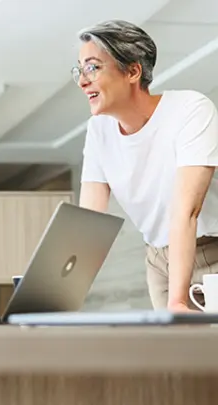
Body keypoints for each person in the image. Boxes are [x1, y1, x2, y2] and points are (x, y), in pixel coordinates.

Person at [74, 19, 218, 311]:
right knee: (171, 355)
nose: (82, 81)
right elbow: (88, 220)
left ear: (133, 70)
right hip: (157, 260)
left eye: (92, 67)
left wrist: (177, 301)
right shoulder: (99, 130)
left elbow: (186, 211)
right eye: (79, 70)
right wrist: (55, 293)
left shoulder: (191, 110)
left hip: (210, 254)